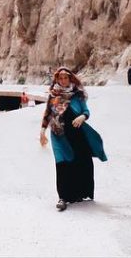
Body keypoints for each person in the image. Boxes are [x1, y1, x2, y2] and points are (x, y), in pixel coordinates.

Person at [38, 67, 107, 211]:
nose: (63, 80)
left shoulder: (77, 94)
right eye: (60, 78)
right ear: (57, 79)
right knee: (61, 163)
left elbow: (86, 111)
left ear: (70, 79)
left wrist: (82, 117)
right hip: (58, 134)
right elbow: (47, 113)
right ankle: (62, 198)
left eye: (66, 78)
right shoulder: (53, 95)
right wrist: (42, 131)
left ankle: (79, 194)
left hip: (76, 134)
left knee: (80, 162)